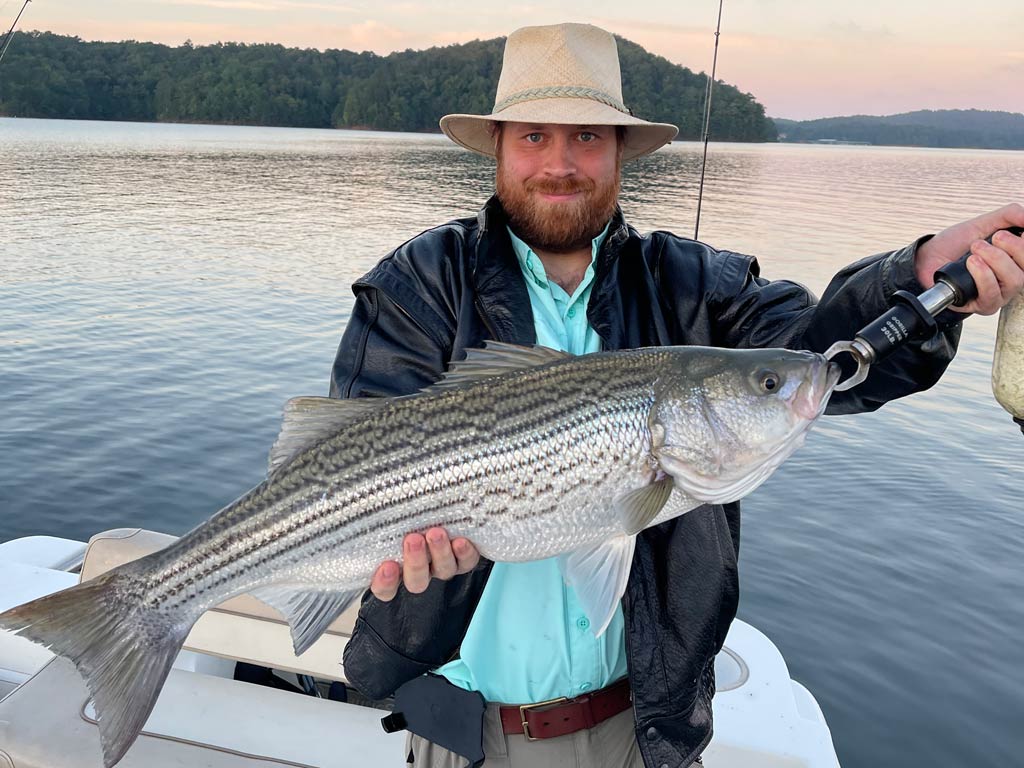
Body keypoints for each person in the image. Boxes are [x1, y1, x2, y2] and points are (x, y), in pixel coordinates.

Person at [329, 22, 1024, 768]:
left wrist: (914, 279)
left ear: (621, 154)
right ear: (497, 148)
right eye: (533, 136)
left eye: (588, 137)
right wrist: (411, 559)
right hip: (459, 731)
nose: (560, 164)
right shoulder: (421, 283)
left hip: (645, 729)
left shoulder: (695, 285)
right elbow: (351, 447)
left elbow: (820, 353)